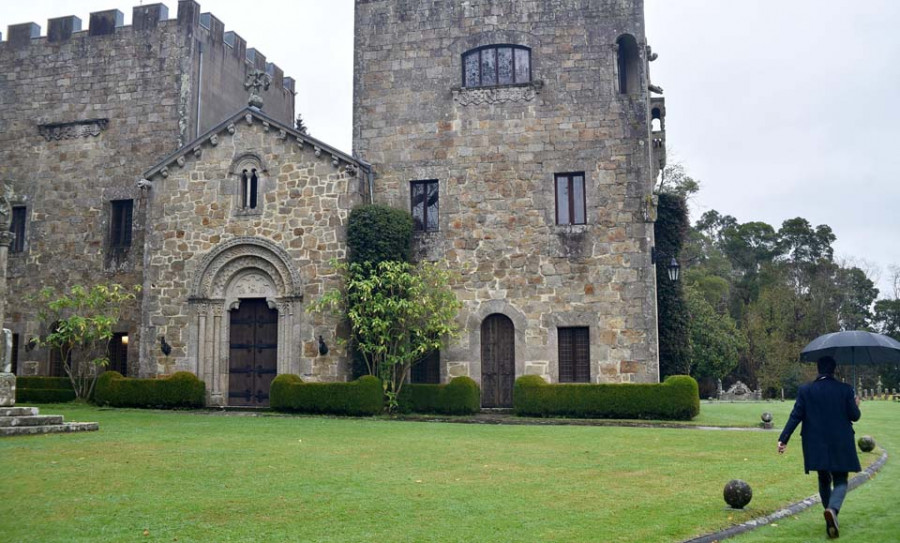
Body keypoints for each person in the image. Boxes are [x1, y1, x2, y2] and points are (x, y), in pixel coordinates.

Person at [777, 356, 861, 539]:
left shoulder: (805, 390)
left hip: (815, 443)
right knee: (840, 479)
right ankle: (832, 510)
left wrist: (783, 439)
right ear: (834, 370)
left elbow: (795, 416)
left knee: (823, 478)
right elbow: (855, 416)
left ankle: (830, 517)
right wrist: (856, 404)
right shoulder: (845, 389)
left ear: (818, 369)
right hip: (841, 441)